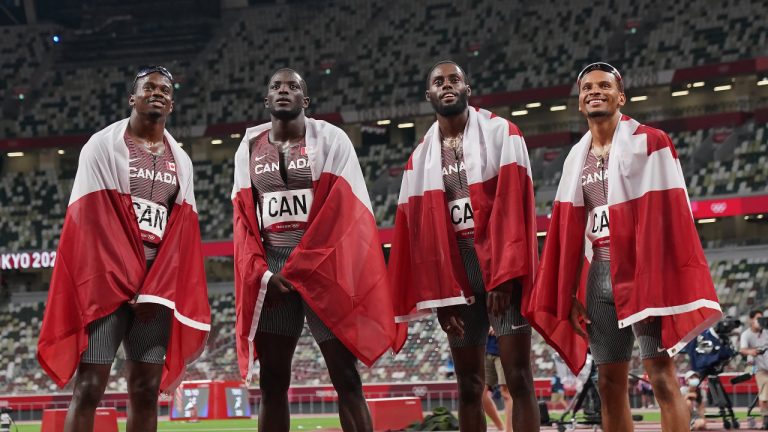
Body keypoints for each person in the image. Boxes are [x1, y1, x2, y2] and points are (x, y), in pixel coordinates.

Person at [526, 62, 722, 432]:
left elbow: (672, 218)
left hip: (643, 272)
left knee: (660, 374)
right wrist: (570, 289)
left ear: (621, 96)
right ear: (581, 103)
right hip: (599, 275)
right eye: (587, 88)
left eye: (603, 85)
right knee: (609, 383)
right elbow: (570, 232)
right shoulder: (575, 158)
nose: (594, 91)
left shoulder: (652, 142)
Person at [37, 66, 211, 432]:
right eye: (149, 87)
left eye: (165, 89)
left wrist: (155, 290)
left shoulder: (182, 161)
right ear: (133, 98)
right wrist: (128, 282)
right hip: (108, 285)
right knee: (89, 387)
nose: (157, 93)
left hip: (155, 291)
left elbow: (179, 235)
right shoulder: (102, 146)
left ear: (173, 104)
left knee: (146, 391)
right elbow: (92, 224)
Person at [232, 68, 404, 432]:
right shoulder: (248, 148)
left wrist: (304, 265)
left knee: (346, 377)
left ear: (305, 101)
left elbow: (341, 213)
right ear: (266, 100)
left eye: (292, 86)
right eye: (276, 86)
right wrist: (263, 274)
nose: (283, 90)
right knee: (273, 383)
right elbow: (245, 220)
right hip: (273, 273)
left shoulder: (331, 139)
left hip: (323, 267)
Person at [388, 60, 539, 431]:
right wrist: (440, 297)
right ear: (429, 95)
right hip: (458, 276)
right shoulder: (419, 159)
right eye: (438, 81)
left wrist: (504, 276)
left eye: (455, 79)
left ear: (467, 88)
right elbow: (419, 237)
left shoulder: (503, 133)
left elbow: (513, 208)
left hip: (502, 268)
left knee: (518, 378)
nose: (447, 85)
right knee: (469, 386)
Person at [740, 309, 768, 429]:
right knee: (764, 395)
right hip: (761, 369)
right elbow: (742, 350)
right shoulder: (746, 334)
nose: (759, 321)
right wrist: (752, 351)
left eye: (761, 319)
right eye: (757, 318)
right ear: (751, 320)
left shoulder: (766, 332)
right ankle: (766, 420)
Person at [484, 329, 513, 431]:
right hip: (486, 349)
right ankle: (500, 426)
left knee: (505, 392)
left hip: (502, 349)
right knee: (481, 393)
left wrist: (497, 326)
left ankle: (509, 430)